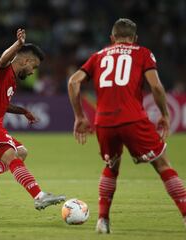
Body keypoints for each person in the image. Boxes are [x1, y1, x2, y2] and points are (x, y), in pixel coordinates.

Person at [68, 18, 186, 233]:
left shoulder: (98, 56)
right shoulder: (142, 53)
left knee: (111, 167)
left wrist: (79, 116)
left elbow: (73, 82)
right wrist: (165, 114)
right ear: (135, 38)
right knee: (163, 165)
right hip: (132, 119)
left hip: (103, 122)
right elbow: (157, 87)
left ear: (112, 38)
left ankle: (102, 220)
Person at [0, 28, 66, 210]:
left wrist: (23, 111)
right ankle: (39, 196)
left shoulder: (11, 80)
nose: (32, 72)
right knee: (12, 156)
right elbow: (4, 59)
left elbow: (1, 105)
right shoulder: (3, 70)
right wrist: (18, 44)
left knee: (21, 152)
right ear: (26, 60)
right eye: (33, 66)